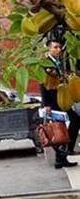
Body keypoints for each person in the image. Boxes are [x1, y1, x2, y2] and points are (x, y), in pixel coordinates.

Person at [40, 39, 80, 169]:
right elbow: (43, 84)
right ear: (48, 49)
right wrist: (46, 104)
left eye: (60, 47)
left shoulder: (58, 63)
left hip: (61, 99)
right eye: (55, 47)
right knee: (73, 121)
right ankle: (64, 153)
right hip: (53, 101)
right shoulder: (46, 64)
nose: (59, 50)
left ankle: (61, 157)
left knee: (64, 127)